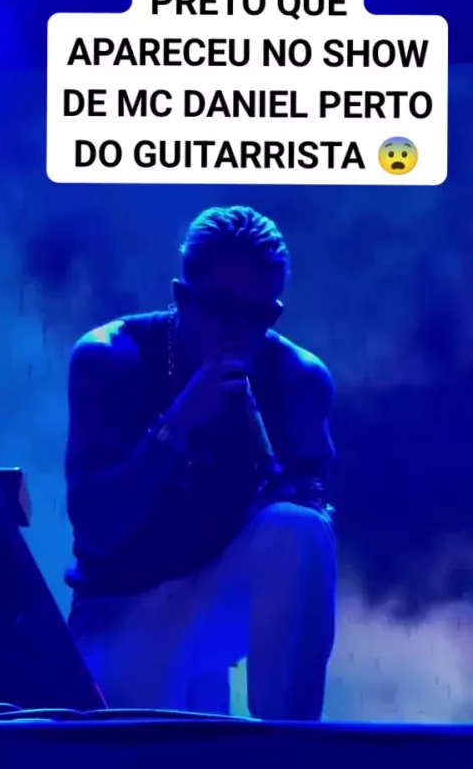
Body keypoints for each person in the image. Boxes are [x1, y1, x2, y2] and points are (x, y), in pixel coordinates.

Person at [65, 206, 336, 720]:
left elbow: (306, 539)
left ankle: (293, 745)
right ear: (182, 297)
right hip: (119, 615)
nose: (240, 332)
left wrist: (285, 491)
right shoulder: (112, 359)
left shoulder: (296, 378)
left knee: (302, 529)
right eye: (222, 310)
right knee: (152, 740)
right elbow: (98, 529)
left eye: (260, 315)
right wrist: (179, 423)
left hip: (213, 605)